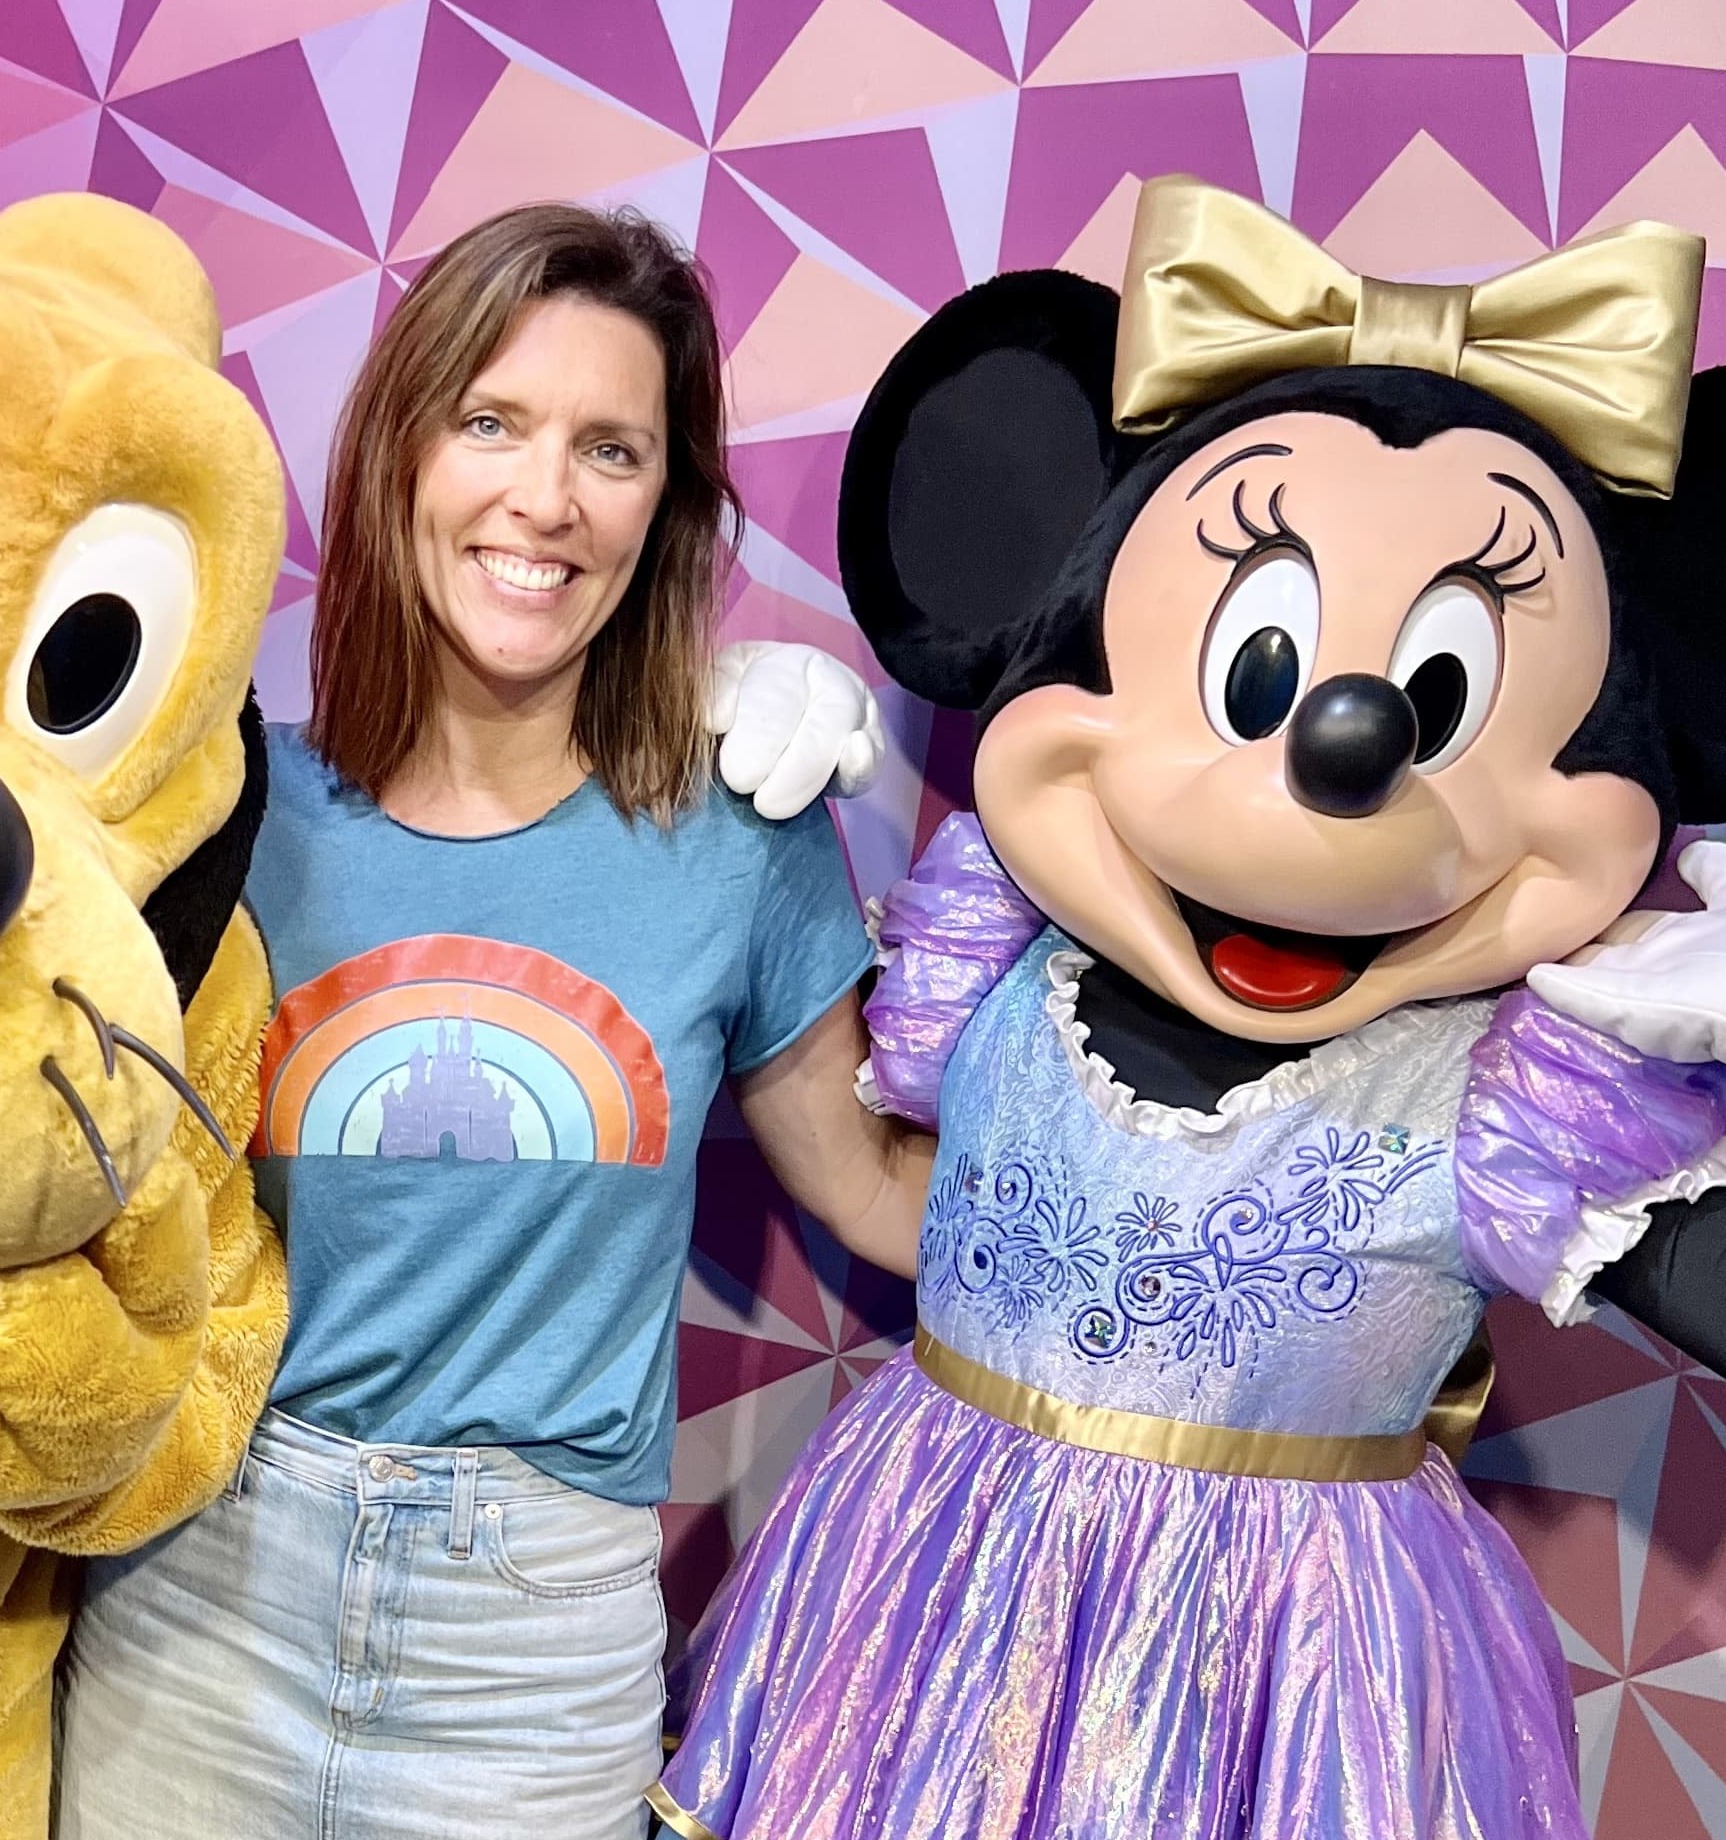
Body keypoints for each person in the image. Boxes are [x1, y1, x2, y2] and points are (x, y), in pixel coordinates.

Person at [651, 179, 1726, 1840]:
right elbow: (874, 1177)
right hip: (922, 1602)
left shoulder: (1515, 1097)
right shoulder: (998, 967)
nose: (1343, 745)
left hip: (1293, 1676)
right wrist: (724, 831)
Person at [54, 202, 929, 1839]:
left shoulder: (740, 838)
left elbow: (876, 1188)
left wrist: (1229, 1186)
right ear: (399, 454)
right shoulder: (222, 806)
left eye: (611, 449)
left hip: (528, 1653)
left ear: (664, 504)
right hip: (198, 1593)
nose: (545, 498)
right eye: (490, 423)